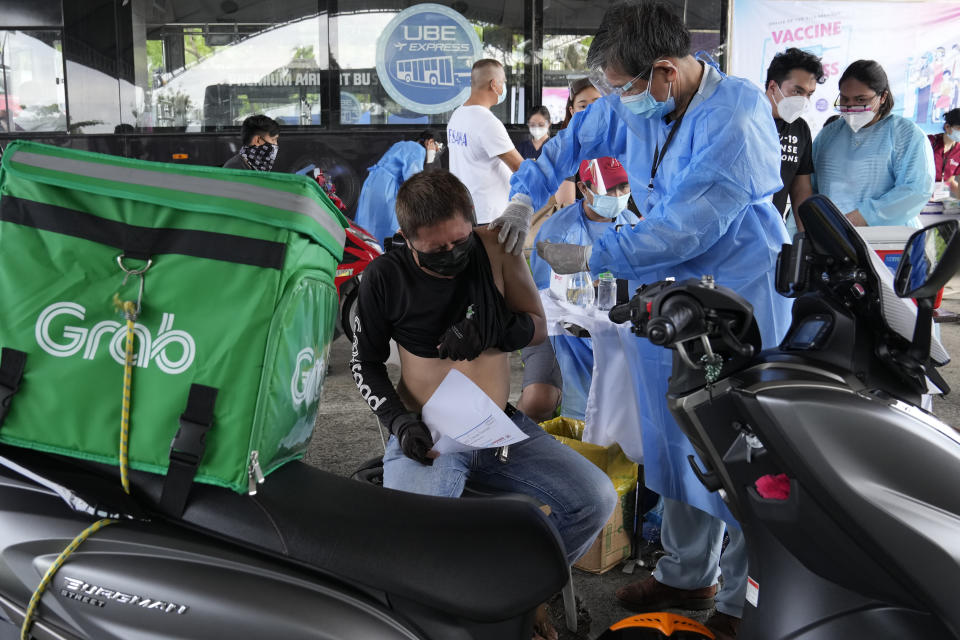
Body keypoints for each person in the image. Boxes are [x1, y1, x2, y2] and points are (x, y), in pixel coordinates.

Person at [490, 3, 793, 638]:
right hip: (670, 295)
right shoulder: (638, 99)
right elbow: (572, 141)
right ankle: (688, 572)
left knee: (733, 445)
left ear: (662, 71)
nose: (617, 101)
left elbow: (682, 230)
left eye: (622, 88)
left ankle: (740, 599)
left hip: (733, 296)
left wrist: (591, 254)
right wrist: (524, 197)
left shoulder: (733, 116)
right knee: (675, 436)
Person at [350, 170, 617, 640]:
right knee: (413, 554)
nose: (453, 254)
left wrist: (497, 330)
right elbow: (365, 365)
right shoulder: (384, 278)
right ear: (408, 240)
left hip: (499, 430)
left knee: (594, 499)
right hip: (428, 436)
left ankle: (525, 594)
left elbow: (537, 325)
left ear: (470, 222)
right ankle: (460, 620)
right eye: (436, 250)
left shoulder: (494, 247)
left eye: (459, 241)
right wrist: (398, 422)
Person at [527, 158, 639, 422]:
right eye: (609, 190)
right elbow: (547, 297)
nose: (619, 196)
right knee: (574, 402)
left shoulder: (631, 222)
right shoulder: (559, 232)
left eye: (623, 187)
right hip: (568, 333)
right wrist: (591, 285)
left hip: (620, 327)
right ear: (584, 189)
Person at [812, 60, 935, 228]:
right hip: (835, 236)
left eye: (860, 99)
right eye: (844, 99)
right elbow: (809, 187)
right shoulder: (828, 135)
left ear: (882, 97)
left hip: (890, 239)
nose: (850, 106)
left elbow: (917, 189)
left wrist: (864, 216)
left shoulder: (905, 134)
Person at [447, 59, 524, 224]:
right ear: (494, 84)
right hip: (490, 216)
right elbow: (521, 168)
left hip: (466, 212)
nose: (503, 88)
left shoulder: (457, 115)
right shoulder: (486, 122)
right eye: (502, 82)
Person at [764, 48, 824, 222]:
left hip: (773, 232)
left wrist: (805, 236)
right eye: (797, 92)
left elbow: (801, 190)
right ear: (773, 86)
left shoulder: (800, 129)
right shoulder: (747, 120)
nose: (804, 100)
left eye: (809, 94)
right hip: (734, 234)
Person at [353, 132, 434, 245]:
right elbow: (414, 179)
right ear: (430, 142)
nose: (436, 151)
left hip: (373, 182)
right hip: (386, 188)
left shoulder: (402, 144)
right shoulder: (417, 149)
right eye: (437, 147)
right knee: (386, 224)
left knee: (368, 220)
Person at [555, 79, 604, 207]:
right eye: (583, 106)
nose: (590, 111)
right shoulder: (566, 148)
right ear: (572, 111)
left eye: (597, 103)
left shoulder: (619, 139)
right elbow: (566, 205)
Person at [928, 108, 960, 199]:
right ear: (947, 127)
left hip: (940, 197)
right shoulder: (929, 142)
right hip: (920, 195)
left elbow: (950, 181)